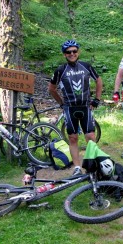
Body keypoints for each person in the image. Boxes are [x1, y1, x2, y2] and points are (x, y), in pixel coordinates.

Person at [48, 40, 103, 176]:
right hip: (70, 108)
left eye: (74, 51)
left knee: (90, 136)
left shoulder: (86, 66)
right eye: (68, 52)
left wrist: (96, 99)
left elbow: (98, 80)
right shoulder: (60, 70)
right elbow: (52, 88)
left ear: (78, 52)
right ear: (64, 55)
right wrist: (61, 103)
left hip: (85, 107)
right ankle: (77, 167)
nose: (72, 54)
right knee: (72, 138)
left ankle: (93, 163)